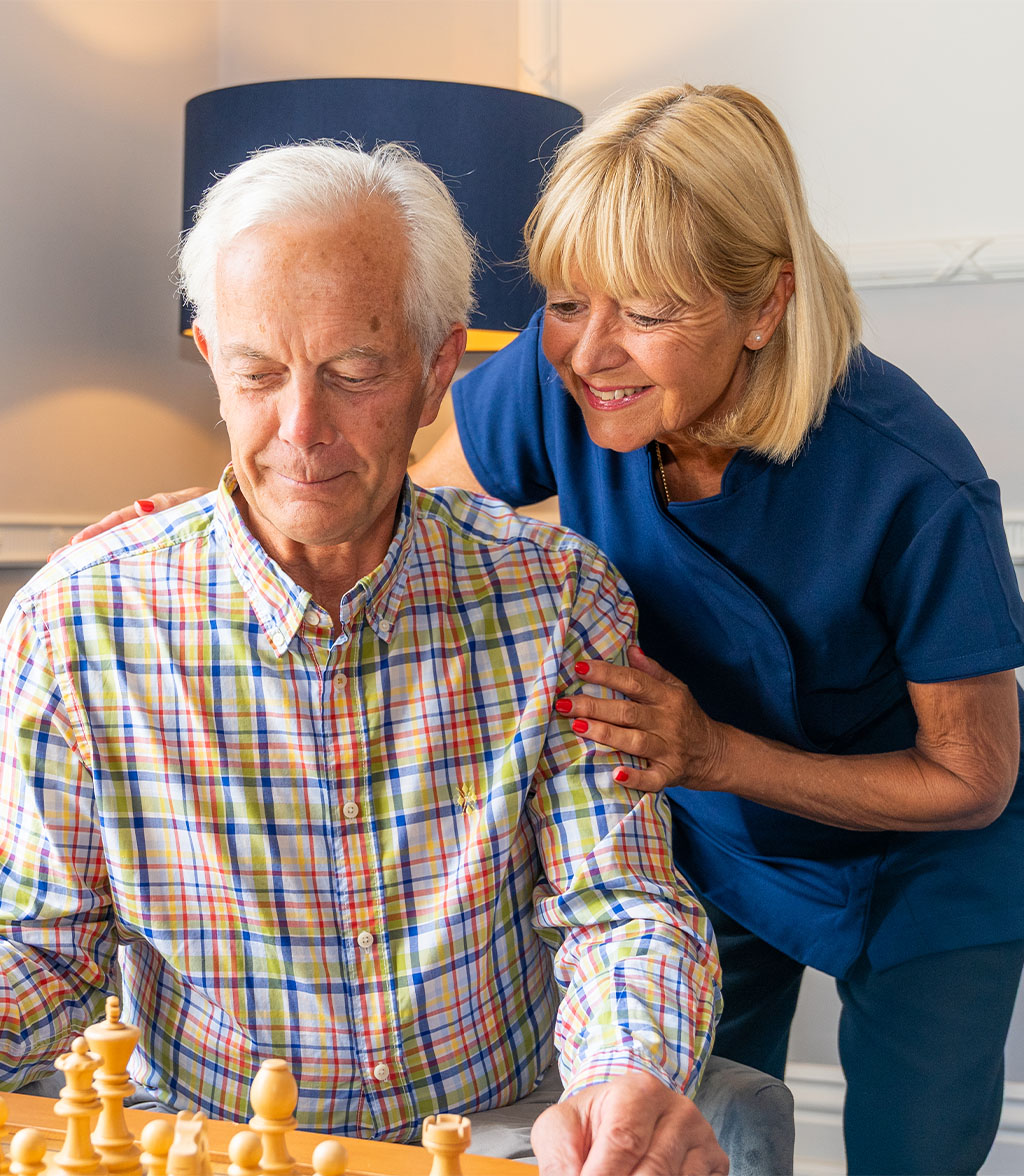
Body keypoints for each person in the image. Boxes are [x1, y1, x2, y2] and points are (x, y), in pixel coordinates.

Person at [85, 85, 1024, 1176]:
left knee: (913, 1153)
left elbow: (972, 777)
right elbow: (392, 512)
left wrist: (716, 753)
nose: (589, 353)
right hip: (719, 840)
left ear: (762, 307)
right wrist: (228, 522)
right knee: (684, 1121)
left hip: (921, 861)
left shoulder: (910, 482)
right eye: (568, 301)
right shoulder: (565, 366)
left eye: (648, 311)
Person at [0, 140, 731, 1176]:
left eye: (354, 373)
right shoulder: (75, 621)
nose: (302, 431)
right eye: (258, 373)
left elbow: (618, 910)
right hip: (211, 1144)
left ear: (438, 370)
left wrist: (622, 1075)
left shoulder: (558, 598)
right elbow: (41, 946)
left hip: (495, 1132)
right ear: (209, 359)